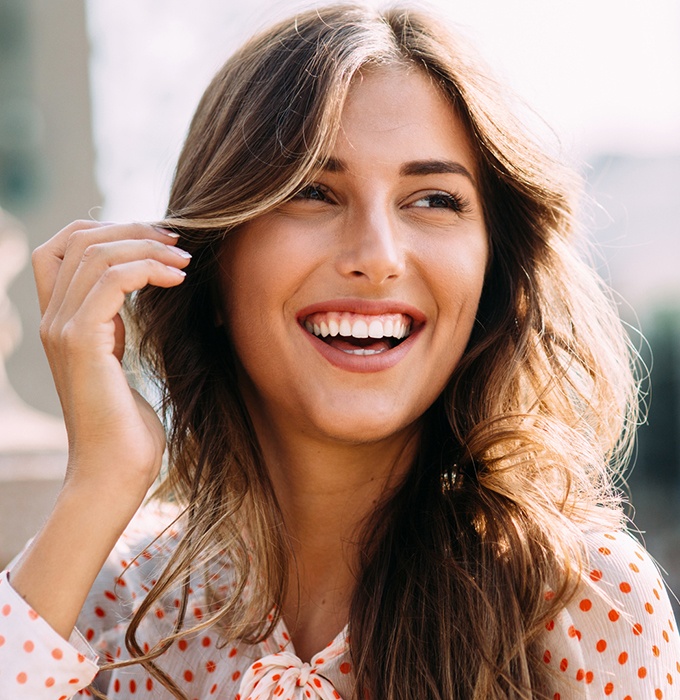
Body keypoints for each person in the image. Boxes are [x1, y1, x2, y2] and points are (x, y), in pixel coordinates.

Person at [1, 4, 678, 699]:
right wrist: (99, 484)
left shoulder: (583, 603)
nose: (378, 257)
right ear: (210, 260)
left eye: (434, 200)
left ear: (493, 274)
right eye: (312, 192)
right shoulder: (103, 606)